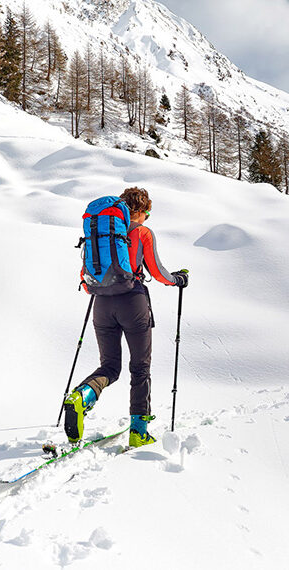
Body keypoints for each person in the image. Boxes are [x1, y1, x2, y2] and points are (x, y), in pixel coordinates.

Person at [64, 187, 188, 447]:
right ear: (141, 211)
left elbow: (86, 271)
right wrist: (178, 279)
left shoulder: (101, 233)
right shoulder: (141, 232)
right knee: (140, 367)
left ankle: (81, 396)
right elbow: (158, 271)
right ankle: (139, 431)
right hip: (133, 302)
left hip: (101, 303)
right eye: (148, 213)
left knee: (110, 367)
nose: (147, 218)